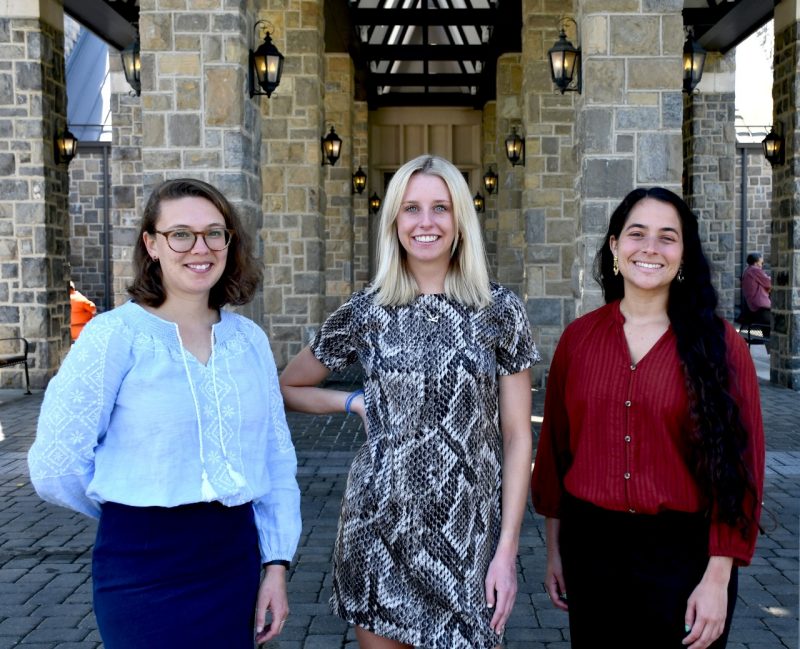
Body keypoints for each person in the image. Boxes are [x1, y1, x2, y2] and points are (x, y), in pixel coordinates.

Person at [279, 154, 540, 649]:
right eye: (411, 208)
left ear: (460, 219)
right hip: (378, 527)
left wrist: (506, 550)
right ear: (394, 221)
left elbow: (517, 436)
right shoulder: (368, 309)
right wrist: (353, 402)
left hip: (467, 540)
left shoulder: (500, 310)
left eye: (440, 208)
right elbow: (289, 386)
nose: (425, 222)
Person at [28, 178, 301, 649]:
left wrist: (276, 565)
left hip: (233, 558)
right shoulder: (114, 336)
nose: (201, 247)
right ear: (152, 244)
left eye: (215, 233)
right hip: (142, 565)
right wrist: (130, 502)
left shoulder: (249, 341)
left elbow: (276, 461)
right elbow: (55, 462)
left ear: (229, 243)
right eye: (181, 234)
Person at [531, 187, 765, 649]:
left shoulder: (721, 346)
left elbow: (742, 468)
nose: (651, 248)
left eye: (667, 237)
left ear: (684, 253)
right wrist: (555, 551)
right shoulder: (579, 340)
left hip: (685, 560)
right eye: (637, 234)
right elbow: (556, 453)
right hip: (592, 552)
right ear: (616, 246)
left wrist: (718, 578)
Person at [740, 252, 771, 335]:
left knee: (767, 333)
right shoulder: (754, 270)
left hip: (754, 306)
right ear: (756, 262)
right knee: (772, 331)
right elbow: (769, 282)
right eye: (761, 263)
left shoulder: (747, 271)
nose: (762, 265)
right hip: (761, 306)